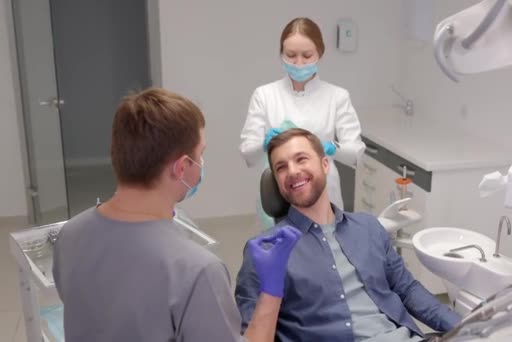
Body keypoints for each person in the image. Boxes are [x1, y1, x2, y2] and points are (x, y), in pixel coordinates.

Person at [52, 88, 301, 342]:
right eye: (200, 154)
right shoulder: (197, 270)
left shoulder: (70, 235)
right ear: (182, 167)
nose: (202, 164)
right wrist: (271, 289)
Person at [235, 128, 461, 341]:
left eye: (301, 159)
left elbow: (407, 289)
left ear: (325, 165)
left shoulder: (368, 227)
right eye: (281, 167)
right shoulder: (266, 251)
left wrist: (464, 328)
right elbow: (253, 335)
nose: (293, 171)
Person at [239, 17, 365, 214]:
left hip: (325, 191)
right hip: (279, 191)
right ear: (281, 54)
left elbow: (355, 154)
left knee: (326, 240)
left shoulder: (337, 96)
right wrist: (264, 143)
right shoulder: (264, 95)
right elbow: (248, 155)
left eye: (307, 55)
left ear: (320, 53)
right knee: (282, 241)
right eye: (291, 55)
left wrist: (331, 148)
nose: (299, 63)